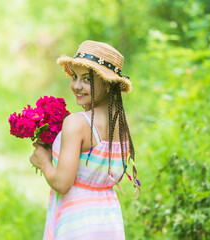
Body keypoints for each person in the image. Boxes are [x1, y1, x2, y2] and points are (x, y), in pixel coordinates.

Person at [29, 40, 141, 240]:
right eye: (74, 77)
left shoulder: (78, 123)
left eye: (87, 79)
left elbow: (63, 183)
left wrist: (44, 161)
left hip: (77, 223)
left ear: (107, 83)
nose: (77, 86)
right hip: (108, 221)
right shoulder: (121, 125)